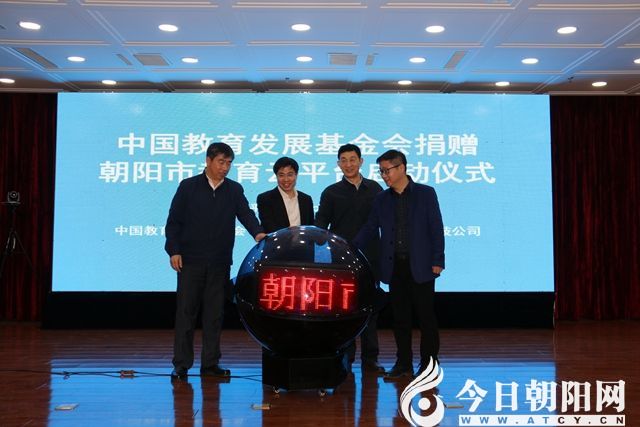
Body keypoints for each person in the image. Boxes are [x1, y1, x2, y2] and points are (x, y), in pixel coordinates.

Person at [165, 142, 266, 380]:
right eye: (221, 162)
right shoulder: (188, 186)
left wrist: (258, 233)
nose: (225, 167)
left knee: (214, 315)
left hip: (219, 262)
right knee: (186, 314)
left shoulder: (233, 189)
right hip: (190, 261)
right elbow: (174, 222)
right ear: (208, 161)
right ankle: (181, 365)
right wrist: (174, 250)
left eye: (229, 163)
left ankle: (210, 364)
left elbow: (246, 214)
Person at [353, 149, 445, 379]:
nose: (384, 176)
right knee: (400, 319)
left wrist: (438, 260)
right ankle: (403, 364)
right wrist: (350, 247)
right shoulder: (382, 199)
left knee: (426, 318)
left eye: (387, 171)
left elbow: (436, 227)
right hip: (395, 267)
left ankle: (429, 366)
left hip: (422, 265)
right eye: (381, 172)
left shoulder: (425, 193)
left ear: (401, 167)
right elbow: (370, 227)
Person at [315, 144, 385, 374]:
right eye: (343, 160)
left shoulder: (375, 189)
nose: (348, 164)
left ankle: (370, 359)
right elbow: (320, 224)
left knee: (370, 309)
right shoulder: (331, 192)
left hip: (371, 258)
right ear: (338, 164)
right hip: (341, 261)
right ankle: (345, 357)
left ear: (361, 161)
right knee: (343, 311)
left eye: (352, 159)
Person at [257, 157, 314, 233]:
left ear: (296, 175)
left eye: (290, 175)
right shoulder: (265, 199)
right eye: (281, 175)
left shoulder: (306, 199)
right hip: (277, 240)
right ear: (276, 176)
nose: (286, 179)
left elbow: (310, 228)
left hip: (302, 241)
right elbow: (268, 226)